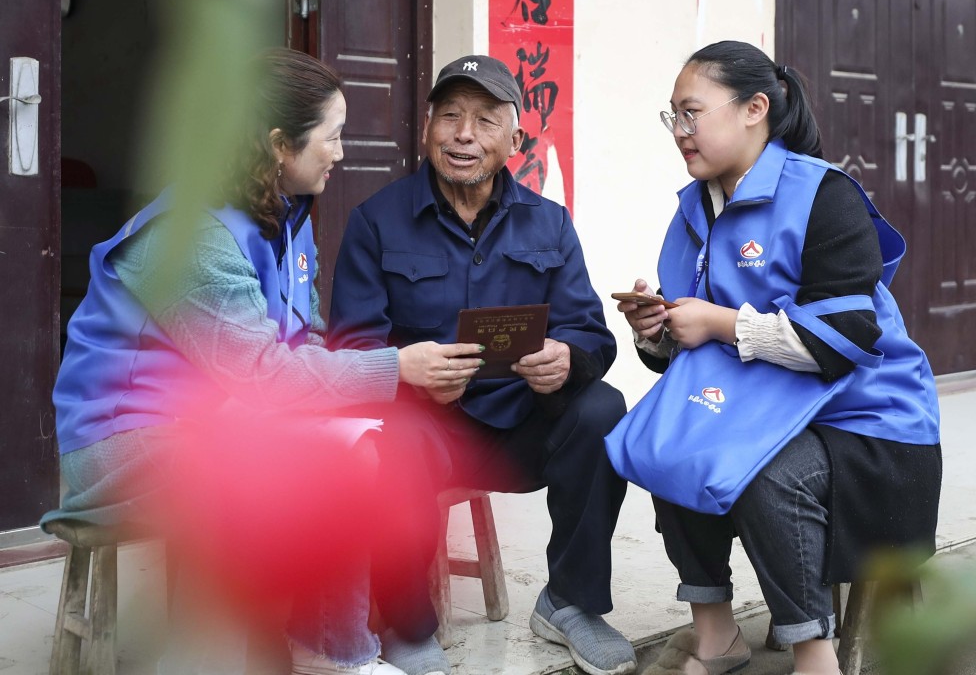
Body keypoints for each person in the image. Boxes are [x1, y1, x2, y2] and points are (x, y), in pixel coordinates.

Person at [44, 48, 483, 675]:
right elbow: (263, 375)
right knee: (322, 459)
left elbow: (299, 342)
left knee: (356, 444)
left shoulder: (283, 216)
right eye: (331, 137)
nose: (340, 152)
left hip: (211, 420)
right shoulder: (194, 234)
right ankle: (319, 654)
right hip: (123, 442)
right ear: (280, 143)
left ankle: (329, 647)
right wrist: (396, 367)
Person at [616, 41, 942, 675]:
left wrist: (717, 322)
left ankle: (813, 653)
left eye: (692, 113)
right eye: (672, 118)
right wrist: (657, 329)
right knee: (666, 440)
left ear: (754, 109)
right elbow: (684, 351)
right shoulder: (692, 210)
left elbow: (844, 340)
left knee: (767, 468)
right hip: (763, 410)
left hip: (868, 427)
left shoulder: (825, 195)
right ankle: (715, 634)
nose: (680, 132)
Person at [328, 55, 636, 675]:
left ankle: (570, 605)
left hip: (524, 425)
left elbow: (592, 335)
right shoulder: (376, 222)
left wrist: (566, 359)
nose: (463, 134)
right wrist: (405, 370)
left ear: (514, 139)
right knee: (395, 438)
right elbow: (349, 351)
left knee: (603, 409)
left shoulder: (549, 222)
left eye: (484, 120)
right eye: (450, 117)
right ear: (427, 130)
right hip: (428, 429)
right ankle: (408, 625)